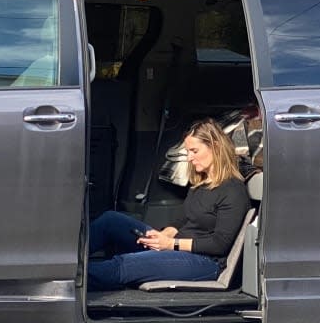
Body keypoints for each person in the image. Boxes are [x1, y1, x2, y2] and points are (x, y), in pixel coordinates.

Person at [88, 118, 250, 290]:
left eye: (194, 151)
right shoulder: (201, 183)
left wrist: (170, 244)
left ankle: (70, 280)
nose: (189, 158)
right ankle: (67, 262)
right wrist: (162, 236)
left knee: (124, 264)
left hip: (205, 261)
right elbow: (182, 220)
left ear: (215, 146)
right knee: (111, 220)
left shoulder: (233, 190)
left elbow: (219, 244)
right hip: (176, 246)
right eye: (188, 151)